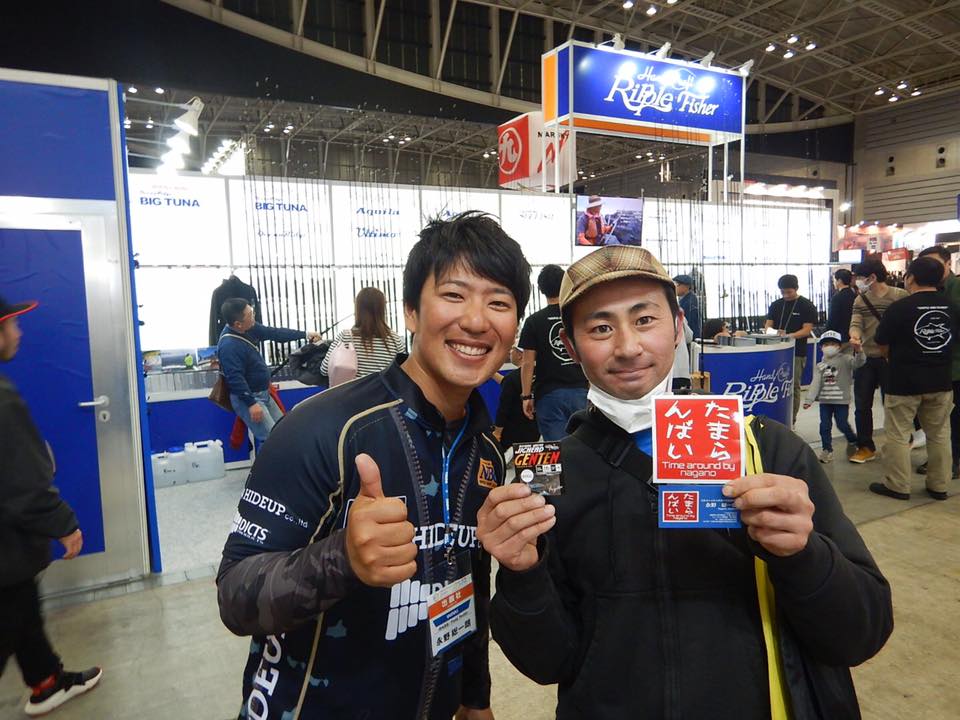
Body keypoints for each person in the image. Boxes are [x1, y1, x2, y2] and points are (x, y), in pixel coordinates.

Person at [477, 246, 892, 719]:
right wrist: (521, 574)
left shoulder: (767, 451)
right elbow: (546, 662)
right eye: (600, 328)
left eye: (645, 320)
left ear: (677, 327)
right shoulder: (553, 476)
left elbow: (862, 633)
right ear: (571, 347)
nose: (628, 347)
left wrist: (805, 554)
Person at [216, 212, 531, 720]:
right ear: (411, 312)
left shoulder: (486, 455)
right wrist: (341, 558)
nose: (476, 321)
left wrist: (475, 697)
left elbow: (468, 582)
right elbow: (235, 594)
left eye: (498, 302)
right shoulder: (324, 429)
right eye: (454, 295)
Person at [0, 295, 102, 717]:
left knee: (23, 607)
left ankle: (46, 683)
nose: (18, 332)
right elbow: (21, 483)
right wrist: (64, 524)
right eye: (11, 324)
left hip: (11, 555)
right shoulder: (3, 400)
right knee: (11, 611)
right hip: (5, 546)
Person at [870, 256, 959, 501]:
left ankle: (898, 486)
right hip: (941, 380)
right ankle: (939, 485)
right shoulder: (952, 307)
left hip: (904, 381)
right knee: (939, 434)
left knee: (898, 435)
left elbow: (882, 343)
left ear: (910, 278)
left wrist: (894, 357)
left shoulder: (900, 308)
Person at [218, 298, 320, 445]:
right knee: (273, 441)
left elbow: (275, 333)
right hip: (250, 398)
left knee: (282, 432)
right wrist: (251, 404)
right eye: (250, 315)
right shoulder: (228, 346)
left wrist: (305, 334)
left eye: (252, 311)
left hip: (264, 393)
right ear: (238, 324)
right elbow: (235, 378)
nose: (254, 317)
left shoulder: (248, 327)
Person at [518, 265, 589, 441]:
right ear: (565, 286)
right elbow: (589, 352)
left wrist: (526, 396)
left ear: (541, 289)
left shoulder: (533, 321)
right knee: (586, 446)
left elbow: (527, 363)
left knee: (557, 450)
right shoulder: (577, 317)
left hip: (548, 395)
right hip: (581, 391)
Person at [847, 260, 908, 464]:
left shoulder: (900, 296)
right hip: (866, 358)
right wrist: (854, 336)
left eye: (859, 277)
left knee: (892, 404)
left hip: (891, 359)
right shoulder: (860, 299)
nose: (857, 281)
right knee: (862, 405)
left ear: (872, 277)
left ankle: (896, 444)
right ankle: (865, 446)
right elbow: (856, 323)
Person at [916, 246, 960, 479]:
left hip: (955, 365)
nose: (929, 269)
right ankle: (943, 461)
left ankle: (953, 463)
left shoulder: (956, 290)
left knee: (954, 417)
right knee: (938, 420)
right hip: (934, 366)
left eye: (934, 264)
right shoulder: (928, 292)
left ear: (948, 263)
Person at [803, 330, 864, 463]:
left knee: (842, 424)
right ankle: (827, 449)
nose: (829, 347)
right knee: (824, 426)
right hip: (825, 401)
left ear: (839, 346)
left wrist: (859, 351)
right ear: (821, 347)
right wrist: (809, 399)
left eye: (833, 344)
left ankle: (853, 440)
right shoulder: (820, 365)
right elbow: (815, 382)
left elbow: (858, 363)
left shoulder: (846, 360)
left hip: (841, 401)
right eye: (826, 344)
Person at [764, 274, 818, 424]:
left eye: (789, 292)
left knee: (793, 386)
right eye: (783, 292)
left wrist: (789, 335)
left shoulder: (806, 305)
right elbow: (768, 326)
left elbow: (807, 330)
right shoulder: (776, 305)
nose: (786, 295)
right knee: (775, 385)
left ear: (796, 289)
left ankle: (791, 419)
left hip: (797, 352)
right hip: (775, 352)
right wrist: (773, 332)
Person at [320, 286, 405, 379]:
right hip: (383, 388)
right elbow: (404, 374)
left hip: (352, 389)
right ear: (382, 310)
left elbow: (324, 370)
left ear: (358, 308)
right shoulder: (395, 340)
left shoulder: (345, 337)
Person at [493, 346, 540, 452]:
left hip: (514, 435)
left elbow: (503, 409)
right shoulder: (541, 374)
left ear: (519, 355)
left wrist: (497, 433)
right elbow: (509, 383)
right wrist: (491, 373)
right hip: (536, 431)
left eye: (512, 350)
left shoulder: (513, 378)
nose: (510, 353)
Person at [827, 269, 856, 342]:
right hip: (854, 335)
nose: (833, 282)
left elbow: (832, 320)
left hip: (840, 337)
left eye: (834, 280)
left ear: (839, 281)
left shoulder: (837, 298)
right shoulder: (855, 296)